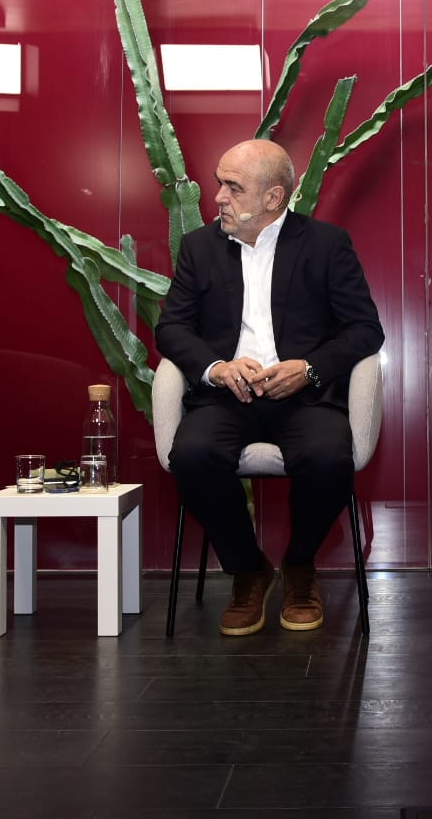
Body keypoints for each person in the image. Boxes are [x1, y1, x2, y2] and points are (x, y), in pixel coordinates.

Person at [155, 139, 384, 636]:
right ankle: (247, 568)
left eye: (232, 187)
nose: (217, 196)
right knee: (191, 456)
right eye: (220, 183)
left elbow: (365, 329)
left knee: (328, 456)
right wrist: (217, 366)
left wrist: (310, 368)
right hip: (226, 396)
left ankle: (300, 565)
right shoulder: (199, 247)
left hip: (303, 395)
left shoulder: (326, 244)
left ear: (274, 197)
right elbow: (171, 329)